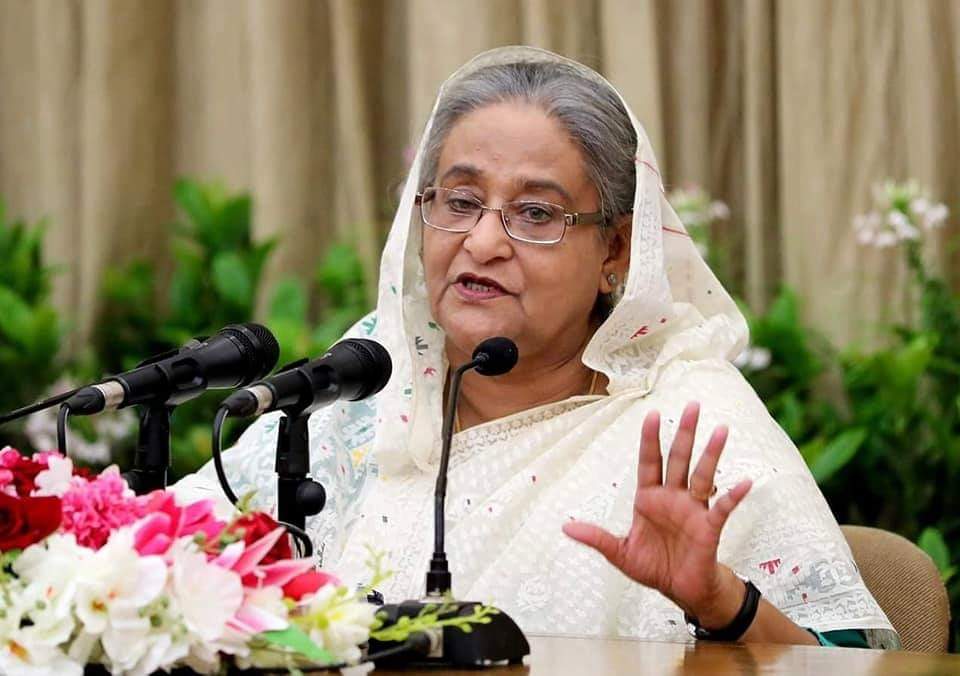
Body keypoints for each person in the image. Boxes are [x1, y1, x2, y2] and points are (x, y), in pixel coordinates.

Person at [175, 46, 898, 648]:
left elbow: (846, 664)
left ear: (615, 250)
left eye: (535, 214)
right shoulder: (371, 381)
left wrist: (721, 603)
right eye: (460, 202)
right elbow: (175, 563)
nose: (483, 242)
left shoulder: (687, 417)